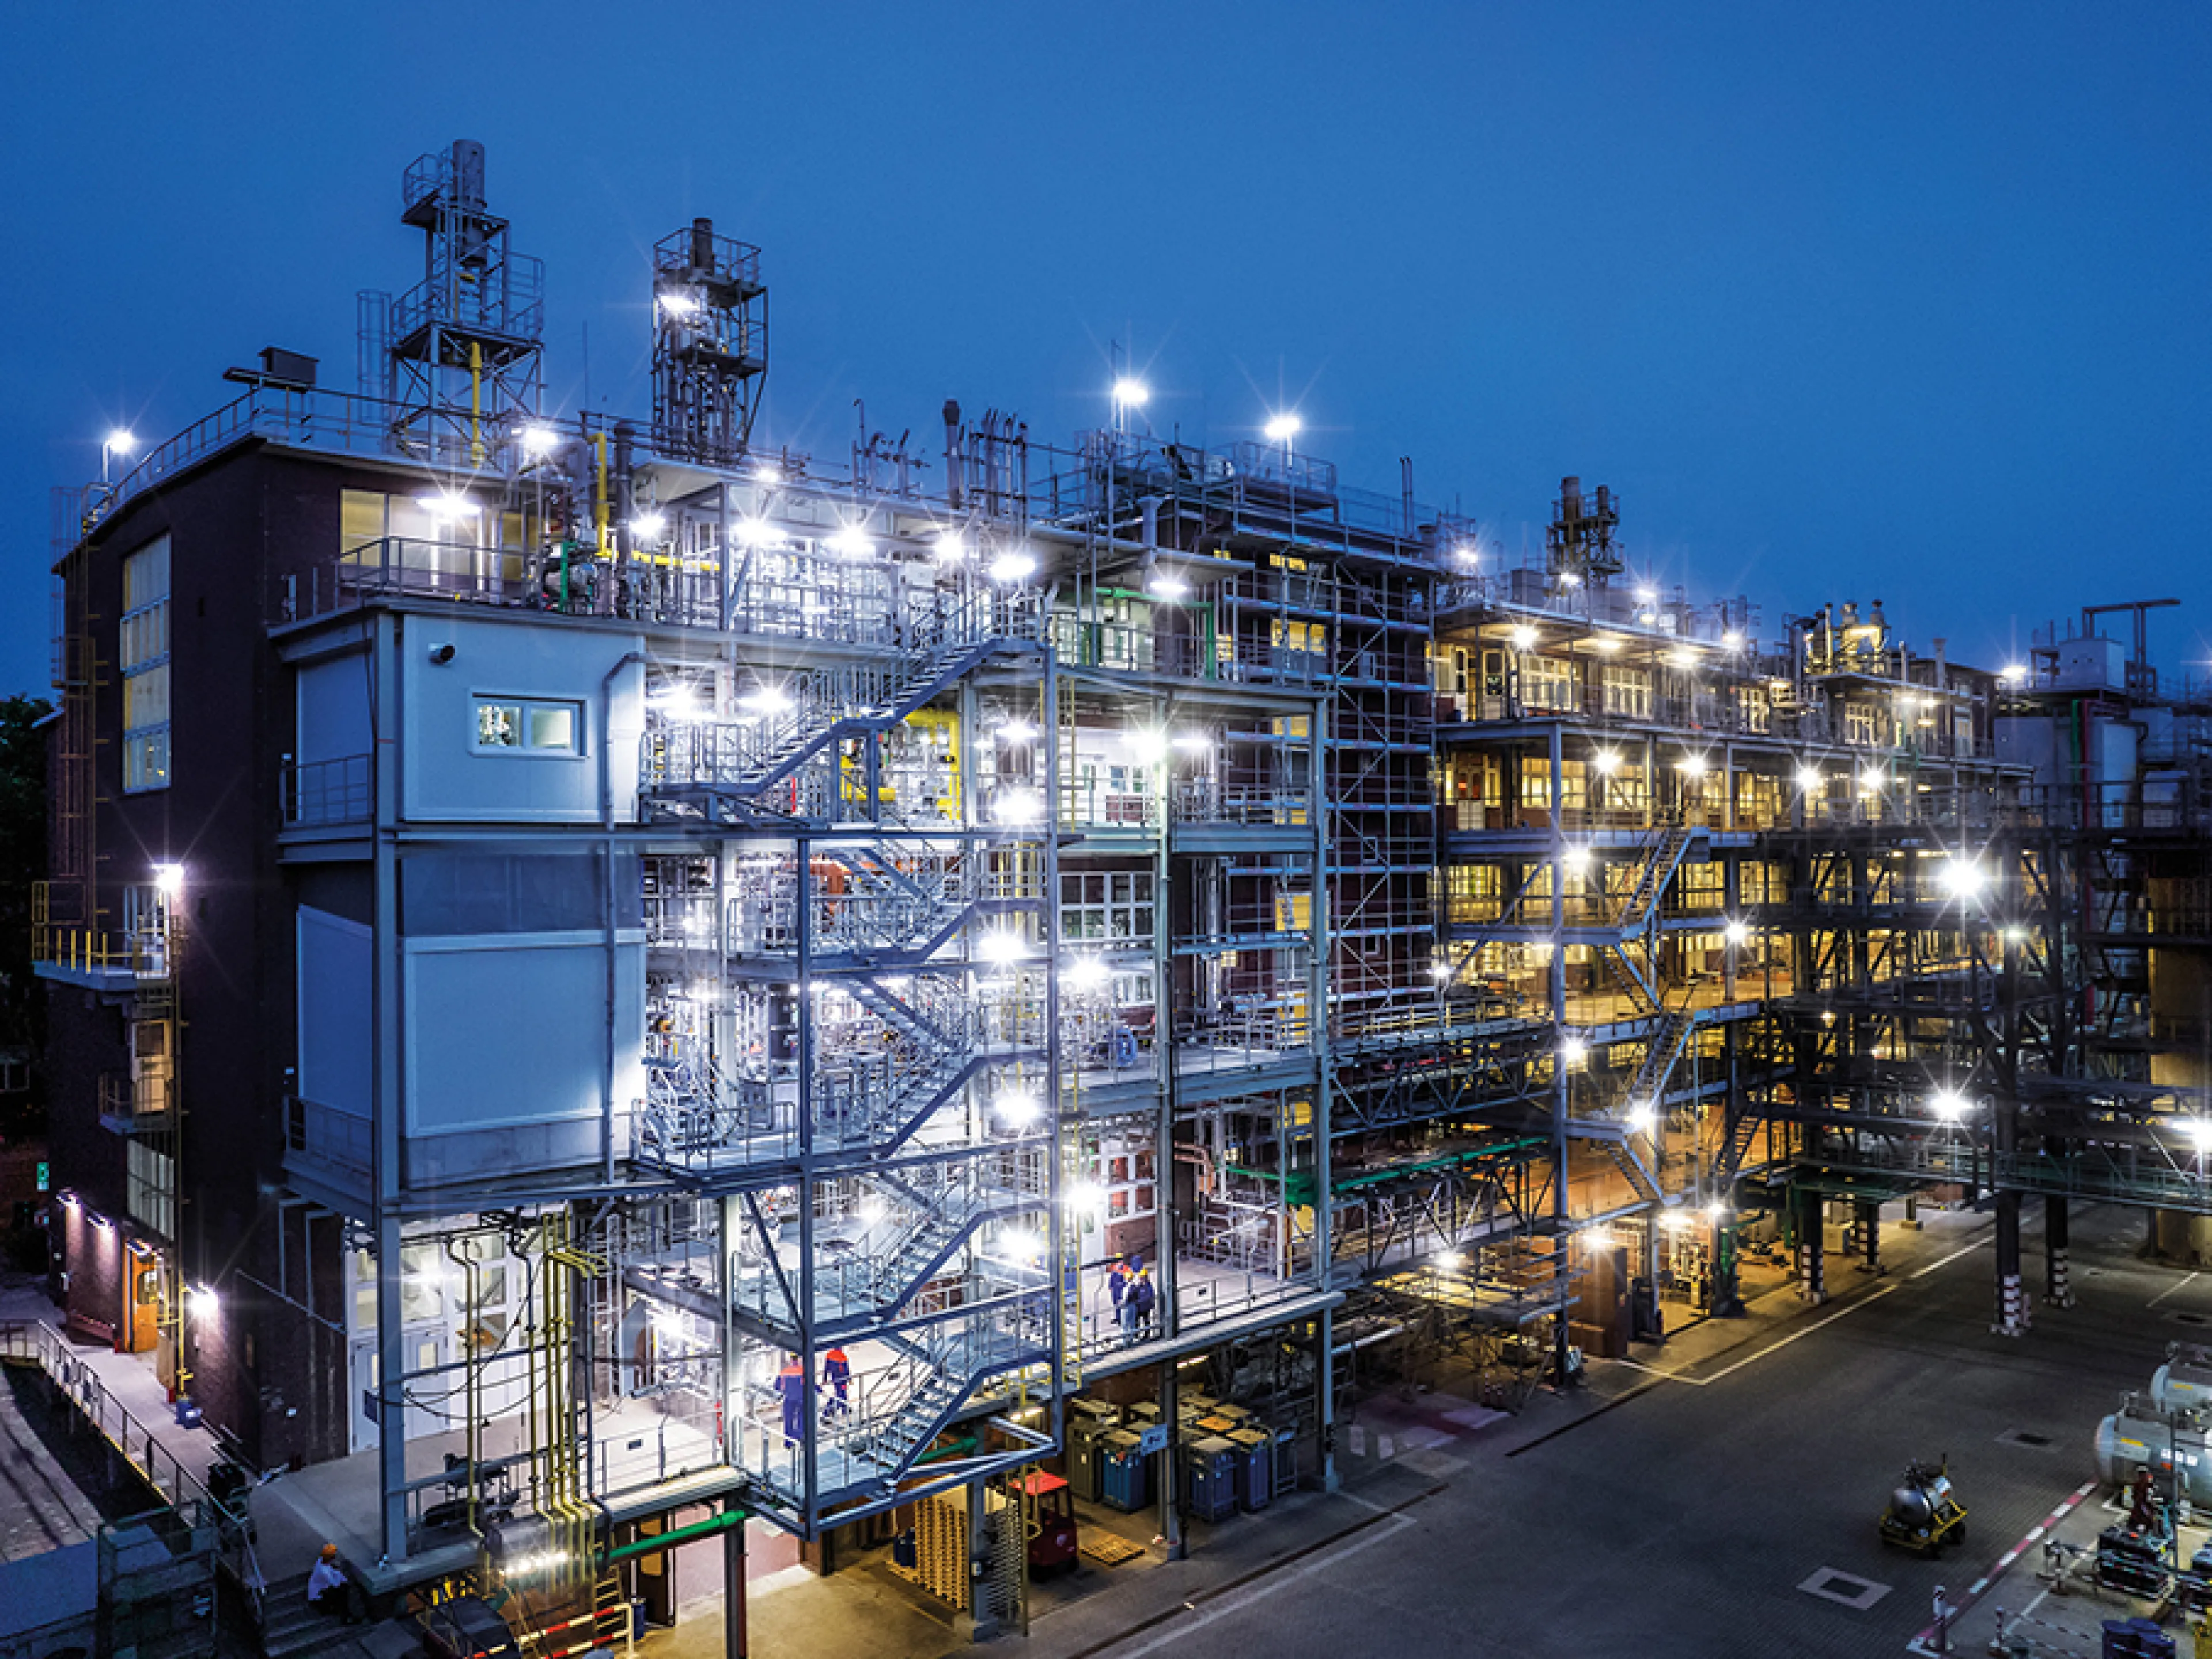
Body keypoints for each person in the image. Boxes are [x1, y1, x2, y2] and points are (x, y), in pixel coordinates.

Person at [307, 1544, 358, 1624]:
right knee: (342, 1592)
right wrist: (345, 1582)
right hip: (318, 1599)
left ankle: (346, 1613)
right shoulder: (323, 1571)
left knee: (341, 1590)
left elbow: (335, 1573)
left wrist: (344, 1579)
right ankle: (346, 1617)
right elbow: (335, 1584)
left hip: (322, 1592)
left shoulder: (322, 1562)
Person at [774, 1355, 809, 1446]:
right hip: (802, 1399)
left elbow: (777, 1387)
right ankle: (801, 1439)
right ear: (798, 1360)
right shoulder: (803, 1371)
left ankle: (788, 1442)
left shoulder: (784, 1372)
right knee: (801, 1419)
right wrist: (820, 1390)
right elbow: (810, 1384)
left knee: (788, 1420)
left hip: (789, 1399)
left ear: (791, 1361)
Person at [1128, 1259, 1157, 1344]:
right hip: (1140, 1308)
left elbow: (1149, 1296)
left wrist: (1139, 1301)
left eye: (1143, 1278)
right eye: (1141, 1278)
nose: (1142, 1279)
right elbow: (1134, 1293)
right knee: (1137, 1321)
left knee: (1146, 1321)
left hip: (1146, 1307)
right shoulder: (1139, 1286)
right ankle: (1136, 1335)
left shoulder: (1149, 1287)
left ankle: (1147, 1335)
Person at [823, 1346, 851, 1420]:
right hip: (842, 1379)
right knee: (842, 1394)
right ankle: (832, 1410)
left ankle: (844, 1408)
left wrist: (825, 1378)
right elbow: (846, 1369)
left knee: (840, 1393)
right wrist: (849, 1379)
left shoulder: (829, 1355)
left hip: (834, 1378)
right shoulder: (842, 1357)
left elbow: (826, 1368)